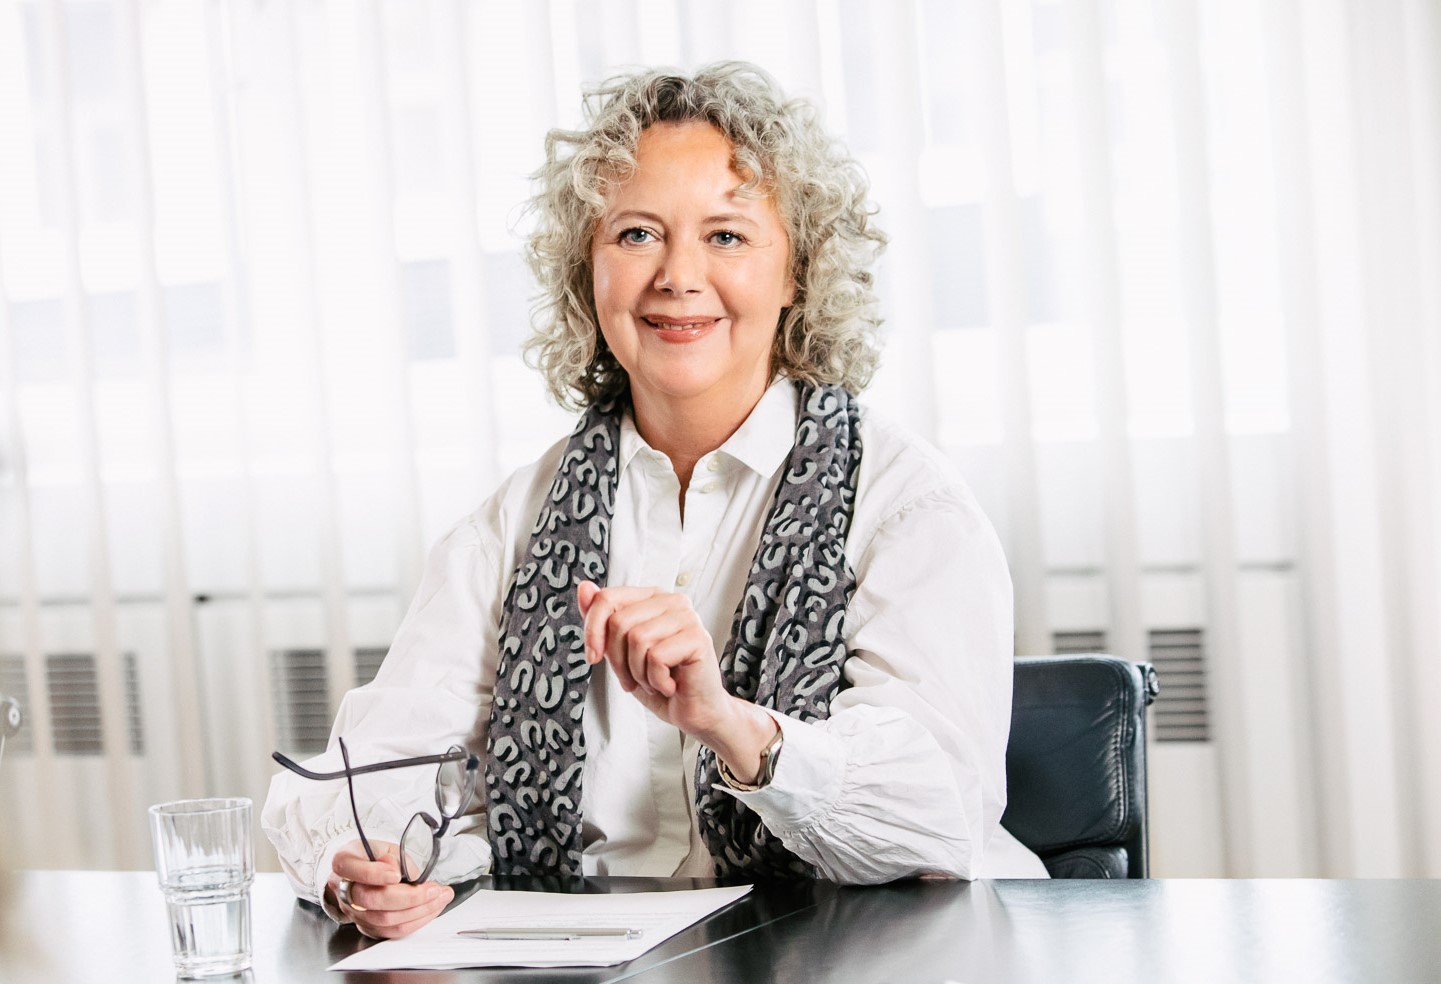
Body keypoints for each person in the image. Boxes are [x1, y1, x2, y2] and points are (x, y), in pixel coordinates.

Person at [262, 61, 1046, 940]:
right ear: (588, 273)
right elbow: (357, 778)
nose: (677, 276)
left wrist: (729, 725)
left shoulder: (908, 509)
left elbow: (936, 817)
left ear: (797, 272)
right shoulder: (509, 527)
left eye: (726, 236)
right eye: (636, 234)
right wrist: (364, 865)